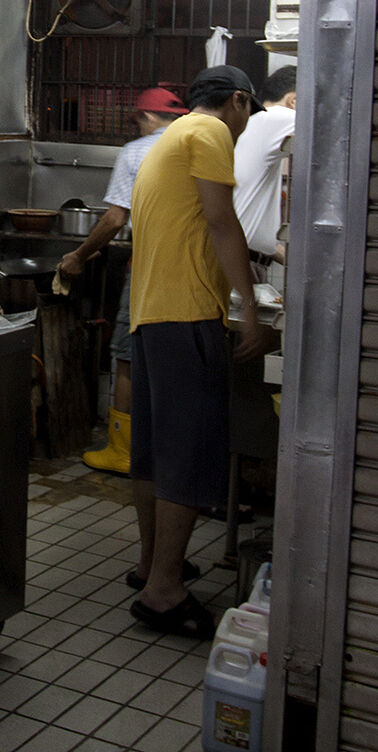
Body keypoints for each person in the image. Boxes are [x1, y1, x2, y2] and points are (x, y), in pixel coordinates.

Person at [126, 65, 271, 641]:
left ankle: (151, 565)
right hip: (187, 313)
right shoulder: (208, 132)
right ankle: (165, 591)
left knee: (156, 453)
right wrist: (250, 308)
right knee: (188, 453)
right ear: (237, 101)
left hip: (150, 315)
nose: (244, 128)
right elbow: (219, 220)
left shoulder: (167, 140)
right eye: (248, 115)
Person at [57, 85, 188, 474]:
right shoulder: (199, 143)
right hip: (197, 268)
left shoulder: (136, 151)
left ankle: (123, 451)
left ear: (146, 118)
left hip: (152, 265)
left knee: (128, 356)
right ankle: (171, 448)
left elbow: (115, 219)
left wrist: (79, 255)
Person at [233, 65, 296, 268]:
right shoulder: (275, 117)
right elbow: (337, 127)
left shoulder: (256, 122)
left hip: (247, 257)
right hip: (240, 260)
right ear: (293, 100)